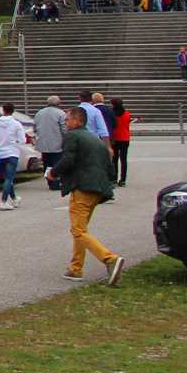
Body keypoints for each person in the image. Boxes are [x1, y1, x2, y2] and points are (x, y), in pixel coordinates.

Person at [48, 105, 124, 285]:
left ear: (78, 121)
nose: (66, 123)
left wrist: (53, 173)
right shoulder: (95, 139)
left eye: (68, 119)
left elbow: (67, 159)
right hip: (98, 190)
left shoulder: (73, 136)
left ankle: (110, 259)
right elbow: (110, 167)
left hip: (82, 188)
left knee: (78, 230)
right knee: (81, 230)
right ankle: (75, 268)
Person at [0, 102, 29, 209]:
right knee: (9, 178)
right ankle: (3, 201)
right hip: (12, 153)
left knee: (7, 178)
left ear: (3, 110)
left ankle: (14, 199)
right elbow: (22, 140)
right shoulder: (16, 124)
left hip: (0, 153)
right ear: (13, 111)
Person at [33, 95, 66, 191]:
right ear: (58, 103)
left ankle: (49, 181)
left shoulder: (39, 113)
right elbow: (64, 129)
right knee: (56, 163)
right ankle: (56, 182)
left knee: (47, 164)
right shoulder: (61, 113)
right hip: (57, 143)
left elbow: (34, 128)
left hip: (43, 143)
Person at [109, 98, 135, 187]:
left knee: (114, 159)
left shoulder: (111, 114)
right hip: (125, 138)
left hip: (115, 138)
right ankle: (123, 180)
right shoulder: (127, 114)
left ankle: (114, 179)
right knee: (123, 160)